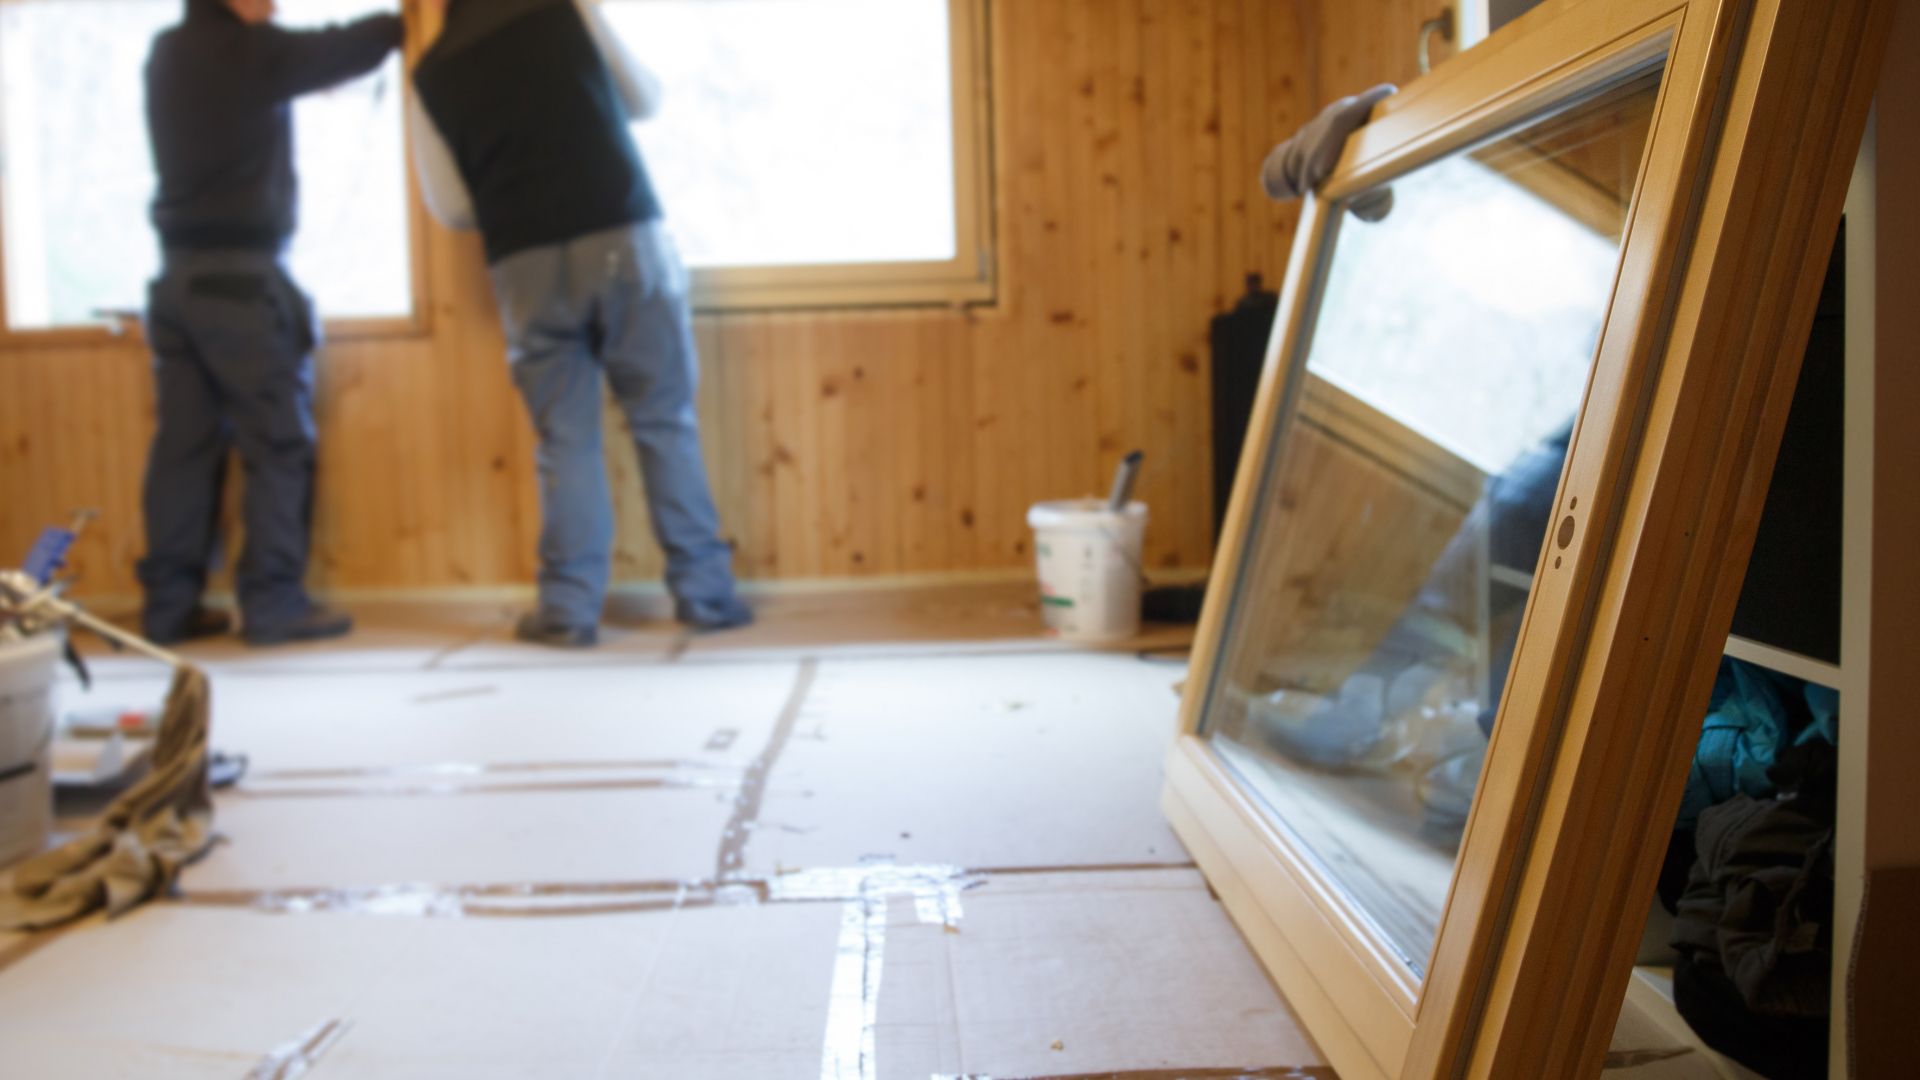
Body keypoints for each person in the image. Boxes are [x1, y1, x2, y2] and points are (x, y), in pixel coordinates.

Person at [409, 0, 751, 648]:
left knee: (564, 440)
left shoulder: (431, 75)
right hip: (623, 235)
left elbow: (452, 206)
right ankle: (706, 597)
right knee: (662, 417)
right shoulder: (562, 12)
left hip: (525, 262)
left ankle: (568, 611)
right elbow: (643, 99)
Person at [140, 0, 403, 646]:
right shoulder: (249, 53)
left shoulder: (169, 53)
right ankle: (273, 603)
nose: (276, 4)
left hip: (174, 284)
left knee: (183, 450)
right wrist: (407, 17)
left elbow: (273, 79)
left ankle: (169, 610)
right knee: (277, 442)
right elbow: (355, 43)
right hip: (239, 285)